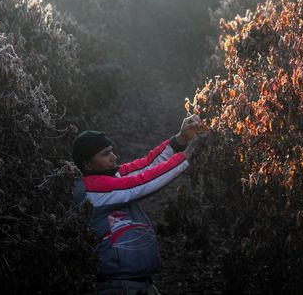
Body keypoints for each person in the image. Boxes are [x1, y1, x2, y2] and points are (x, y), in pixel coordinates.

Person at [72, 114, 204, 295]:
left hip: (137, 285)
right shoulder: (90, 190)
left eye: (111, 151)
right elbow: (139, 184)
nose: (114, 157)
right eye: (105, 154)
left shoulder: (111, 175)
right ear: (87, 164)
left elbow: (147, 165)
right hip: (117, 288)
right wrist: (187, 155)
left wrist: (180, 139)